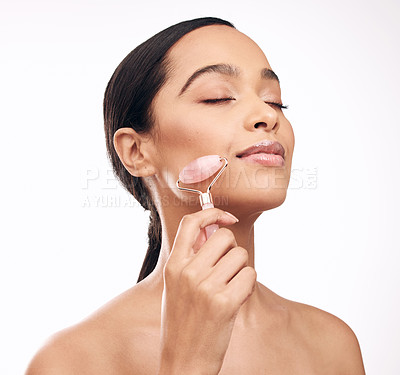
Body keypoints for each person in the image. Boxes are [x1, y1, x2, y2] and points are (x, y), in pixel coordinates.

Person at [26, 17, 365, 374]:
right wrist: (189, 362)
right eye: (218, 97)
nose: (267, 114)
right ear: (136, 152)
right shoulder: (71, 361)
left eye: (275, 101)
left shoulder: (331, 344)